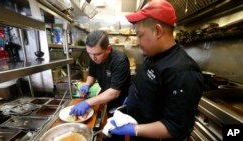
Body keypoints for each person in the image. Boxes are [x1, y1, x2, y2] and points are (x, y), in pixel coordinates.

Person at [109, 0, 204, 141]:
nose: (138, 41)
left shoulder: (183, 71)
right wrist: (134, 97)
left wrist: (133, 129)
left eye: (140, 35)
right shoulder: (153, 55)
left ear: (158, 31)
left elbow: (174, 127)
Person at [69, 30, 131, 140]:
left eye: (97, 54)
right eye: (89, 54)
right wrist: (87, 84)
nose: (93, 58)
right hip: (107, 96)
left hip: (121, 100)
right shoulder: (94, 56)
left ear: (108, 48)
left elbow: (114, 92)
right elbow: (92, 74)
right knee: (109, 125)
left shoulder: (119, 60)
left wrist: (87, 102)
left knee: (117, 128)